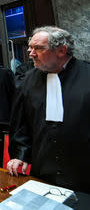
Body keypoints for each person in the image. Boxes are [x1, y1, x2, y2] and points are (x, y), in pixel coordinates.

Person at [7, 26, 90, 193]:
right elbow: (22, 123)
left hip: (83, 172)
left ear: (61, 50)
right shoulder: (29, 79)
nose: (31, 53)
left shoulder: (87, 75)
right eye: (30, 47)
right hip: (43, 168)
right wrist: (21, 154)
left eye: (38, 48)